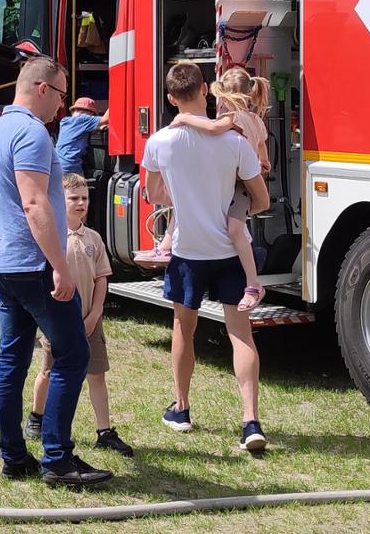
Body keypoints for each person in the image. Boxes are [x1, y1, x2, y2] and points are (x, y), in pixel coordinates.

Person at [0, 57, 111, 487]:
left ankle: (14, 456)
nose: (64, 105)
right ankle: (57, 457)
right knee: (73, 354)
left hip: (2, 263)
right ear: (40, 88)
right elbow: (35, 205)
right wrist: (61, 268)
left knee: (12, 358)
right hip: (33, 263)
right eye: (61, 93)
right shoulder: (32, 133)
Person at [145, 62, 271, 452]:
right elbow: (261, 198)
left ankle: (181, 409)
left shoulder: (159, 142)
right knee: (241, 334)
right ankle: (250, 421)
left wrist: (185, 199)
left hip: (187, 251)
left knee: (184, 329)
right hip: (229, 252)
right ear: (205, 90)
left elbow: (154, 194)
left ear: (170, 98)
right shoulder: (234, 142)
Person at [27, 173, 132, 457]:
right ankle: (37, 417)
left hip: (90, 320)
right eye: (74, 198)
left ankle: (105, 431)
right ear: (59, 202)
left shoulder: (94, 239)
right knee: (48, 372)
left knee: (96, 375)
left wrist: (95, 312)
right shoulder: (52, 238)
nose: (81, 203)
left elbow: (101, 279)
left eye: (84, 198)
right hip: (59, 320)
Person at [171, 66, 274, 311]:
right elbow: (264, 155)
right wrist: (262, 163)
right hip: (241, 182)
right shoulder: (256, 120)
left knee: (235, 230)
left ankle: (253, 284)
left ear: (225, 97)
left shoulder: (230, 119)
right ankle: (167, 246)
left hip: (239, 186)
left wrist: (183, 118)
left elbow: (211, 129)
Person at [56, 98, 108, 176]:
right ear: (88, 112)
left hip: (57, 164)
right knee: (80, 187)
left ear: (73, 111)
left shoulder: (64, 121)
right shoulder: (83, 119)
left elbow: (79, 131)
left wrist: (98, 128)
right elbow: (106, 119)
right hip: (70, 166)